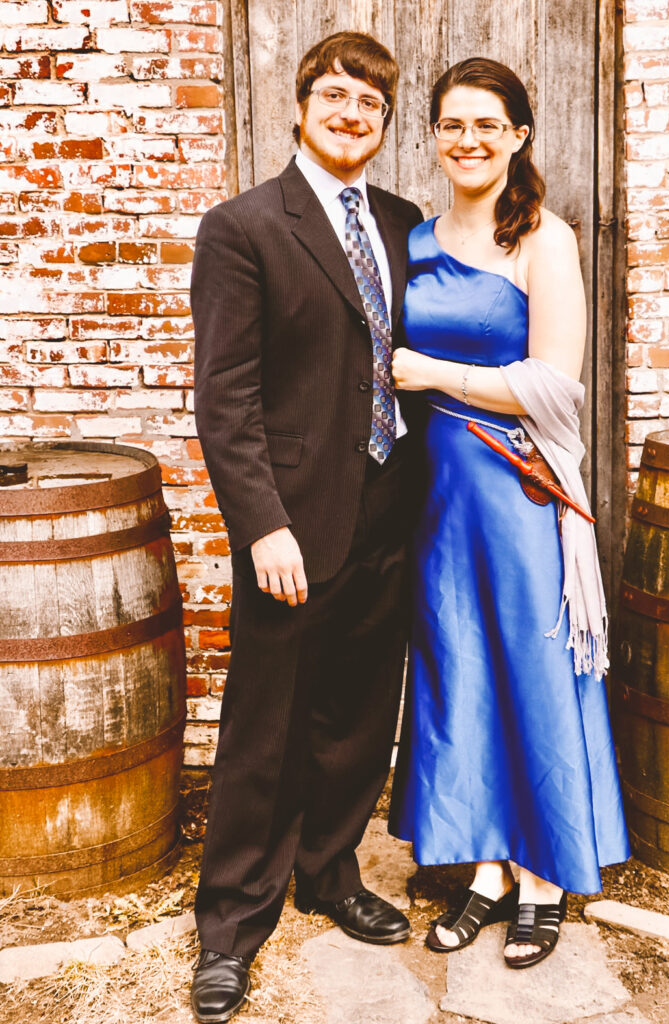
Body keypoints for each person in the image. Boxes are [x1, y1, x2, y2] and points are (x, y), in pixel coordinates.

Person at [190, 31, 423, 1023]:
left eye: (369, 105)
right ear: (300, 105)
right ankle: (233, 923)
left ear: (382, 123)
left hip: (389, 506)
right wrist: (261, 526)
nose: (349, 114)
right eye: (334, 95)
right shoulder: (244, 226)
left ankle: (329, 871)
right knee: (265, 724)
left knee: (360, 714)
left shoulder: (406, 223)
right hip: (291, 521)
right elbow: (225, 396)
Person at [389, 57, 629, 969]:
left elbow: (553, 384)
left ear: (519, 135)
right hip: (435, 494)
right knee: (462, 669)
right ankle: (486, 870)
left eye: (487, 124)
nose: (468, 140)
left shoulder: (543, 237)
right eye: (451, 124)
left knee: (531, 668)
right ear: (434, 136)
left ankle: (542, 877)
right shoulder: (411, 241)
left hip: (518, 488)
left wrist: (437, 373)